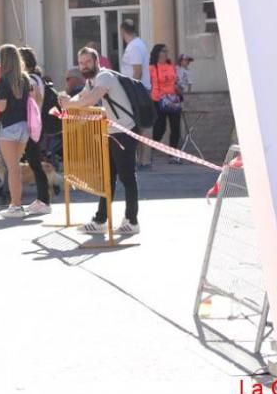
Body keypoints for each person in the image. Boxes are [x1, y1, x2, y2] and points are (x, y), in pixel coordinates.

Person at [58, 47, 140, 235]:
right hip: (111, 132)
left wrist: (70, 104)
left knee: (126, 176)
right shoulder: (91, 80)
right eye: (81, 63)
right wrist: (67, 100)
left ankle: (132, 221)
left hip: (124, 131)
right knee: (107, 177)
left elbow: (90, 100)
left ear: (96, 61)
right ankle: (100, 219)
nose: (84, 66)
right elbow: (82, 97)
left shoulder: (104, 77)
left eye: (88, 62)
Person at [0, 44, 32, 218]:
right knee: (16, 166)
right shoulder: (24, 79)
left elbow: (1, 106)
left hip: (9, 126)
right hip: (24, 126)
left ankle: (15, 205)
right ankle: (17, 204)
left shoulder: (4, 80)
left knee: (12, 168)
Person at [19, 47, 51, 215]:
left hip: (33, 124)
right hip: (37, 123)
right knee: (34, 162)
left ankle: (44, 199)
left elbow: (34, 102)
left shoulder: (30, 80)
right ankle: (42, 199)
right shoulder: (37, 78)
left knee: (35, 163)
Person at [119, 19, 151, 169]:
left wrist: (131, 91)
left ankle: (144, 160)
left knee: (142, 126)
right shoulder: (138, 44)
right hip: (140, 90)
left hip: (138, 91)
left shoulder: (134, 47)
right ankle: (142, 160)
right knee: (140, 126)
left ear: (122, 31)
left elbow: (137, 71)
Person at [150, 44, 183, 165]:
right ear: (157, 53)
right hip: (158, 100)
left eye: (167, 51)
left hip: (173, 100)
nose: (166, 53)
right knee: (159, 129)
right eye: (164, 51)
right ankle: (149, 151)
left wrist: (179, 88)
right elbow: (149, 84)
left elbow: (177, 81)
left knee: (176, 129)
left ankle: (173, 156)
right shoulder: (152, 68)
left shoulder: (172, 67)